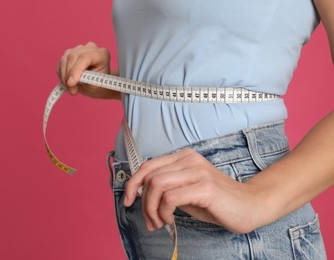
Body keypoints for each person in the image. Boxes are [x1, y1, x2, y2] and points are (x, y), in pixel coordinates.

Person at [57, 0, 333, 259]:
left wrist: (255, 198)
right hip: (144, 196)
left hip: (231, 205)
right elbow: (196, 71)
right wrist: (106, 82)